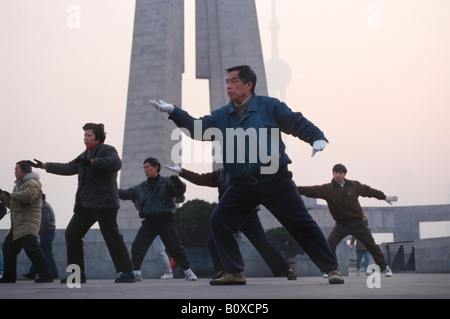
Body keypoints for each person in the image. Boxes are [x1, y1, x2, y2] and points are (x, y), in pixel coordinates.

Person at [151, 65, 343, 285]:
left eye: (233, 81)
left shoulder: (269, 106)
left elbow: (295, 121)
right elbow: (198, 129)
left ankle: (331, 269)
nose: (228, 86)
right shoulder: (222, 115)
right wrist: (175, 112)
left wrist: (316, 136)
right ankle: (234, 271)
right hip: (241, 185)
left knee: (301, 224)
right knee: (219, 221)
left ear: (248, 85)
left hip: (274, 180)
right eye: (226, 82)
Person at [27, 123, 136, 283]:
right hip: (86, 205)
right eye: (84, 135)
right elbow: (69, 167)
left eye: (89, 135)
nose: (85, 138)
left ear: (98, 137)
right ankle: (77, 274)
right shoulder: (85, 154)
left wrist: (93, 162)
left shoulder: (107, 150)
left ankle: (127, 272)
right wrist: (45, 165)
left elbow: (116, 164)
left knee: (112, 236)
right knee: (72, 234)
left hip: (105, 204)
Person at [166, 162, 296, 280]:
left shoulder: (245, 170)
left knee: (262, 242)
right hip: (229, 215)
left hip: (248, 214)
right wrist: (182, 171)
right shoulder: (220, 174)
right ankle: (222, 271)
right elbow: (200, 179)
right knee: (212, 241)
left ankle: (285, 269)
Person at [297, 163, 396, 277]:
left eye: (340, 173)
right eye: (335, 172)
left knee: (372, 245)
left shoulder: (354, 185)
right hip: (342, 224)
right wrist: (293, 188)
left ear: (344, 174)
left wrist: (384, 197)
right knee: (329, 243)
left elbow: (369, 191)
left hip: (358, 223)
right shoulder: (327, 189)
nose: (337, 175)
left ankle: (386, 268)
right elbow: (311, 190)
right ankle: (332, 270)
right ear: (333, 174)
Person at [118, 157, 197, 281]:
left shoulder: (167, 182)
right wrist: (110, 187)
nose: (145, 170)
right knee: (138, 246)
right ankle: (136, 272)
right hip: (149, 222)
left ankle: (188, 271)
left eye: (148, 167)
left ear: (156, 167)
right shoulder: (140, 187)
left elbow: (179, 192)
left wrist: (180, 185)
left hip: (165, 221)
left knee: (175, 247)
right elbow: (123, 194)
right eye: (144, 167)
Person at [0, 161, 53, 283]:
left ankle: (46, 275)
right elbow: (12, 204)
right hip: (18, 226)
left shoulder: (33, 183)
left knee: (32, 249)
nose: (15, 171)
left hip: (28, 224)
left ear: (24, 171)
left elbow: (28, 197)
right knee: (8, 249)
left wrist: (12, 195)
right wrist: (2, 194)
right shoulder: (18, 186)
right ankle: (9, 276)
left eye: (16, 169)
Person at [23, 193, 59, 280]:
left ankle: (54, 274)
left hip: (47, 233)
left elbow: (45, 221)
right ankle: (32, 273)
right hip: (48, 232)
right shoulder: (46, 206)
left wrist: (41, 232)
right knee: (42, 254)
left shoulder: (44, 207)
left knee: (45, 254)